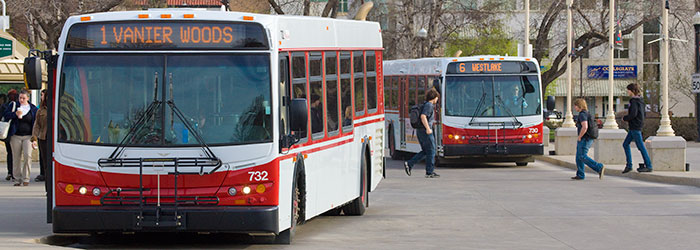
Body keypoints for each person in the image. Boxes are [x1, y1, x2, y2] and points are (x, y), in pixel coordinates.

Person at [3, 89, 38, 186]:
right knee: (16, 157)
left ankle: (26, 178)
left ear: (28, 98)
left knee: (28, 156)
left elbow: (35, 124)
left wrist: (34, 138)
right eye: (20, 98)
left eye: (23, 98)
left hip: (28, 136)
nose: (21, 100)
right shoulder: (14, 106)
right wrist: (15, 114)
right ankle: (17, 178)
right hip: (15, 136)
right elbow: (5, 115)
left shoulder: (33, 109)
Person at [404, 88, 440, 178]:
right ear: (434, 97)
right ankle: (429, 171)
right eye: (437, 98)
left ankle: (410, 164)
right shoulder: (429, 105)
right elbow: (423, 116)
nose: (437, 100)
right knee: (431, 150)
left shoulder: (425, 104)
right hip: (425, 131)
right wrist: (428, 128)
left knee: (426, 151)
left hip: (420, 130)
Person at [622, 83, 653, 173]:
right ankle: (629, 165)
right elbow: (643, 113)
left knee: (640, 146)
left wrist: (625, 118)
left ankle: (648, 165)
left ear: (631, 91)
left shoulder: (633, 101)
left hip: (635, 126)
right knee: (625, 144)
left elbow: (633, 114)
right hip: (636, 126)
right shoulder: (641, 100)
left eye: (628, 90)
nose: (627, 92)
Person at [571, 98, 605, 180]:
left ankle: (599, 167)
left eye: (575, 106)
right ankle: (580, 174)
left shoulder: (582, 114)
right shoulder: (587, 113)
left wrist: (580, 136)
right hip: (588, 137)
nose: (574, 108)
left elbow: (585, 126)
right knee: (579, 156)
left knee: (582, 156)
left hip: (585, 138)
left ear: (579, 106)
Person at [32, 90, 48, 182]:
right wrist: (34, 138)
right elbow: (36, 125)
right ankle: (46, 177)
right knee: (44, 160)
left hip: (56, 139)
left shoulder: (58, 108)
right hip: (43, 138)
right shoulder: (41, 110)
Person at [2, 89, 17, 181]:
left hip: (11, 132)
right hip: (11, 132)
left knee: (11, 153)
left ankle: (11, 172)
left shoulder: (5, 106)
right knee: (12, 153)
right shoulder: (6, 106)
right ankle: (12, 172)